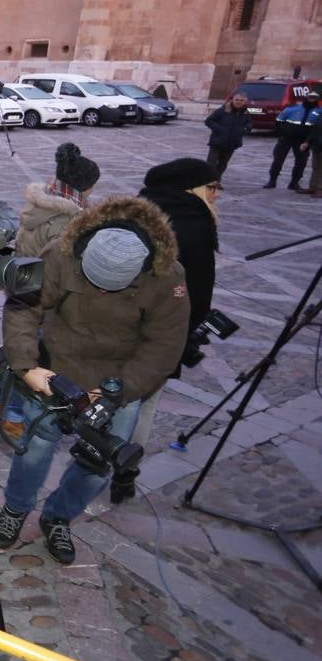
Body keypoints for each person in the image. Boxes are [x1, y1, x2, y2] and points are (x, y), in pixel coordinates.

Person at [0, 197, 190, 563]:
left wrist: (122, 389)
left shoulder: (168, 277)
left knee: (96, 466)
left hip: (117, 386)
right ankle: (16, 507)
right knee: (34, 450)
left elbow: (165, 345)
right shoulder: (61, 253)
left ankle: (57, 517)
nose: (102, 291)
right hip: (54, 375)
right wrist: (28, 367)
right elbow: (24, 306)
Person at [0, 143, 101, 443]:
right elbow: (60, 267)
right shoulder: (68, 221)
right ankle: (12, 415)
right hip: (42, 296)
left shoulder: (44, 202)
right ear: (86, 186)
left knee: (14, 346)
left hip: (22, 285)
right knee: (30, 357)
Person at [137, 158, 220, 448]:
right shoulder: (195, 224)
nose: (217, 193)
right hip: (164, 330)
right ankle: (125, 470)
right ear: (190, 189)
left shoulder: (140, 210)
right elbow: (196, 292)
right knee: (144, 403)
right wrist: (189, 336)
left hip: (124, 319)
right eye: (211, 187)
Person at [264, 90, 319, 189]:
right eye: (310, 97)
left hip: (303, 141)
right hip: (286, 139)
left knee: (301, 162)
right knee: (278, 160)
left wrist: (309, 141)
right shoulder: (291, 109)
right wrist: (282, 134)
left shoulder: (319, 112)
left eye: (314, 98)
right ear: (305, 98)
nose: (312, 99)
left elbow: (318, 129)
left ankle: (294, 183)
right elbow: (279, 122)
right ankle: (272, 181)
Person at [204, 94, 251, 179]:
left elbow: (249, 124)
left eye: (241, 100)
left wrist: (244, 130)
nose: (239, 102)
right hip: (217, 142)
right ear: (233, 100)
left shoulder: (245, 112)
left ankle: (217, 180)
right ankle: (208, 181)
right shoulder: (223, 110)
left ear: (245, 102)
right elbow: (209, 121)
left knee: (223, 164)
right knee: (211, 163)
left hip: (232, 143)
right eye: (237, 99)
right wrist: (219, 129)